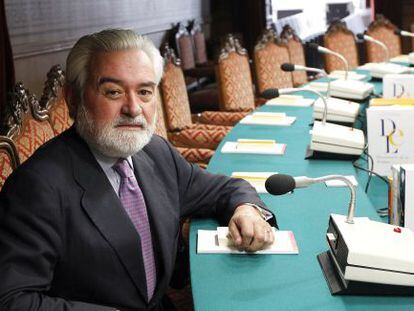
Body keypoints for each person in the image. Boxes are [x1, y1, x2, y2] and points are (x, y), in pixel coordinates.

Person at [0, 29, 277, 310]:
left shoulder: (156, 152)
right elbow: (12, 300)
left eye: (144, 92)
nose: (133, 108)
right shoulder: (36, 187)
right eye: (113, 92)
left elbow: (223, 189)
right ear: (74, 99)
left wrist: (246, 209)